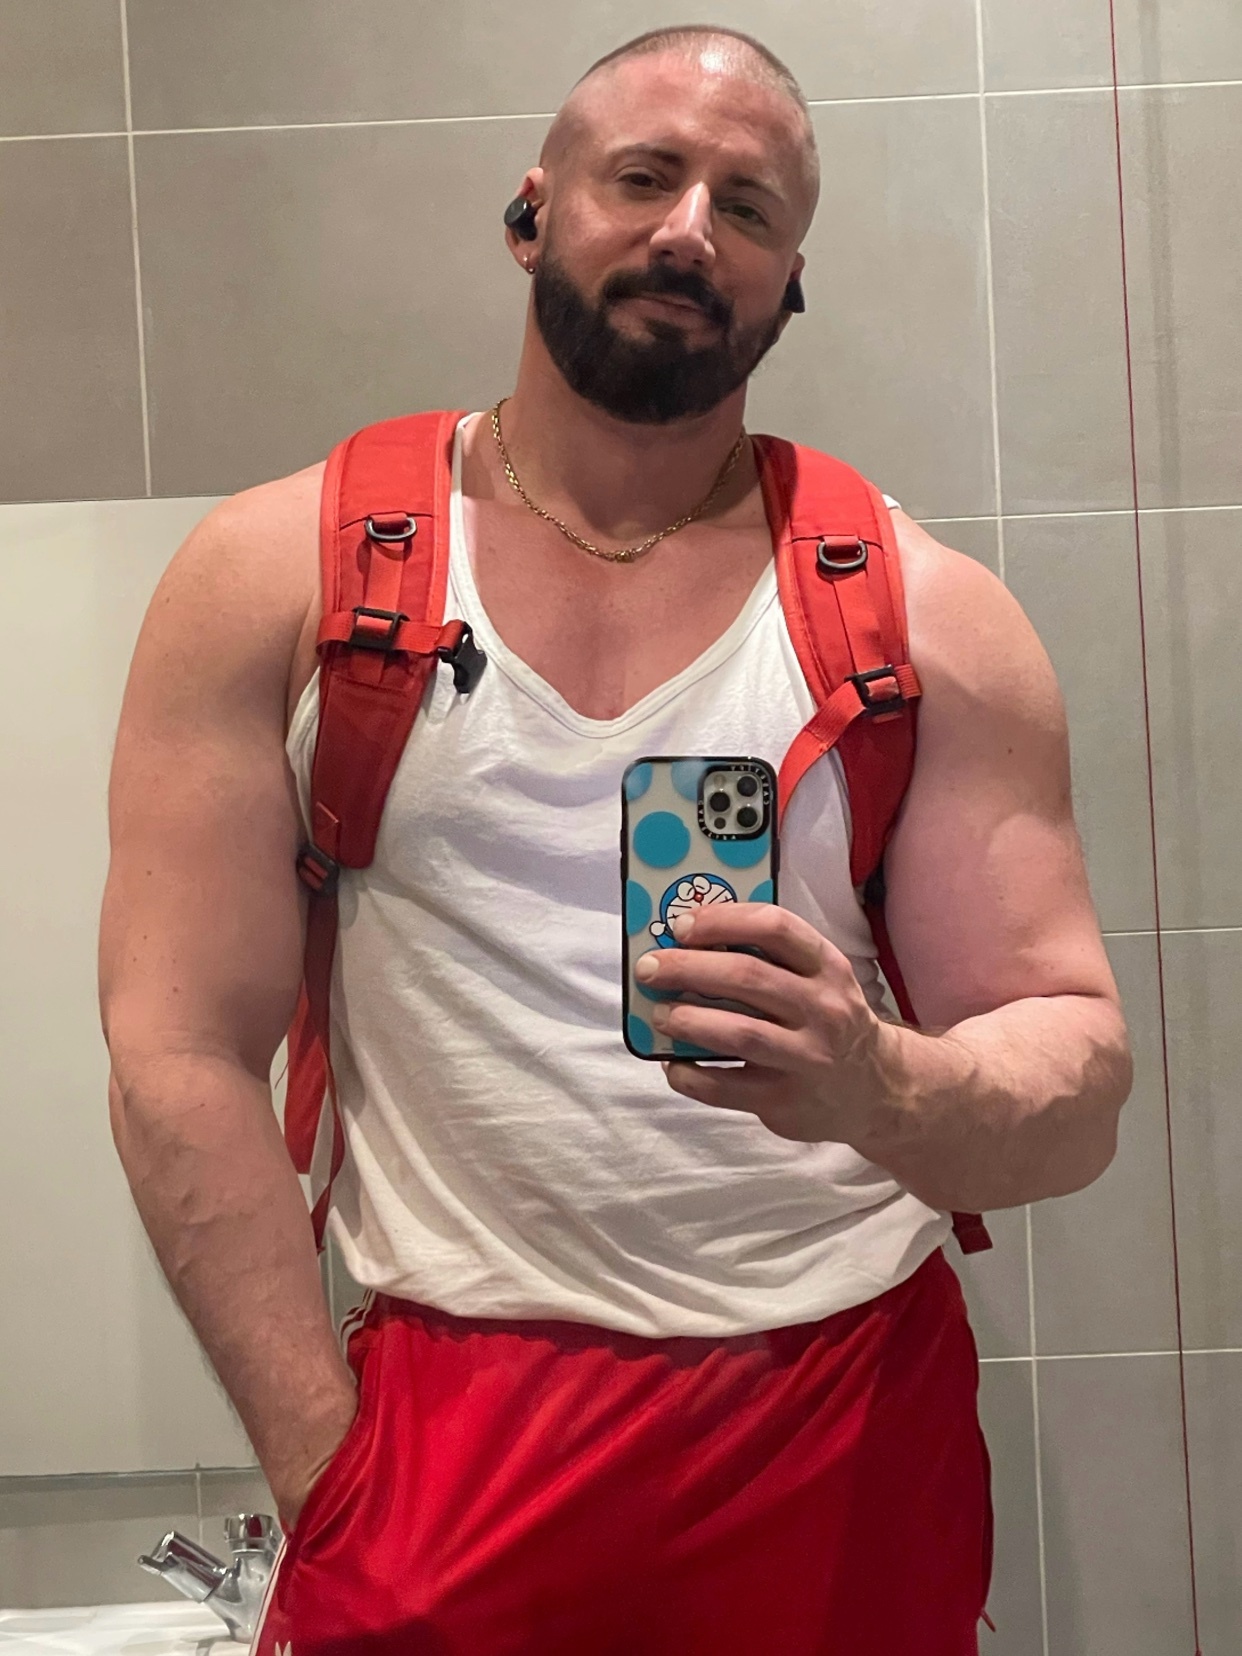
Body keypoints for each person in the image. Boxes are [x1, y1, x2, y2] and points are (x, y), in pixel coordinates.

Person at [99, 25, 1131, 1655]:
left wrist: (878, 1084)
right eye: (644, 177)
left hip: (846, 1424)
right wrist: (326, 1474)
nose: (689, 231)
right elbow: (175, 1049)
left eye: (749, 207)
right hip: (441, 1437)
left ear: (791, 279)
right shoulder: (283, 577)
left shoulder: (926, 618)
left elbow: (1072, 1080)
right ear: (531, 213)